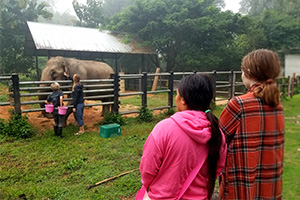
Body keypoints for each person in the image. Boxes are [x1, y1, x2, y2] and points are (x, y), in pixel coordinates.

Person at [136, 74, 227, 200]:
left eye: (177, 94)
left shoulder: (164, 128)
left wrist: (150, 185)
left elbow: (147, 169)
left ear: (183, 99)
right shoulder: (217, 133)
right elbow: (217, 169)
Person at [218, 49, 285, 199]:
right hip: (271, 188)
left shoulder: (239, 105)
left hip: (241, 189)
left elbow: (217, 140)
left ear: (247, 71)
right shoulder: (277, 105)